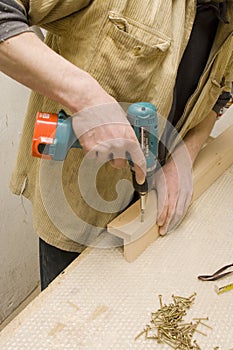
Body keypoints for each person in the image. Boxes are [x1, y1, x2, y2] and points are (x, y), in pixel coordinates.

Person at [0, 0, 232, 290]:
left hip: (149, 212)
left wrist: (188, 150)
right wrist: (84, 97)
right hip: (77, 212)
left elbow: (223, 90)